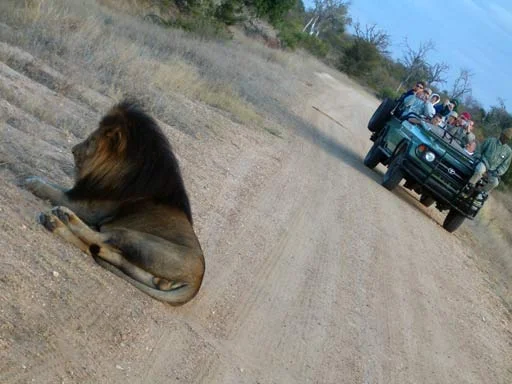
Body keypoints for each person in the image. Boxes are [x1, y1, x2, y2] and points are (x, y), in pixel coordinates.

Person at [467, 128, 512, 195]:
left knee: (495, 183)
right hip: (484, 163)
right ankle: (469, 186)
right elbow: (479, 150)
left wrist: (496, 172)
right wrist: (478, 158)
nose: (505, 139)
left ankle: (479, 191)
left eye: (507, 138)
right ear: (501, 135)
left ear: (509, 140)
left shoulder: (508, 152)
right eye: (504, 136)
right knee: (480, 170)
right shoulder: (491, 140)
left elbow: (504, 166)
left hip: (493, 172)